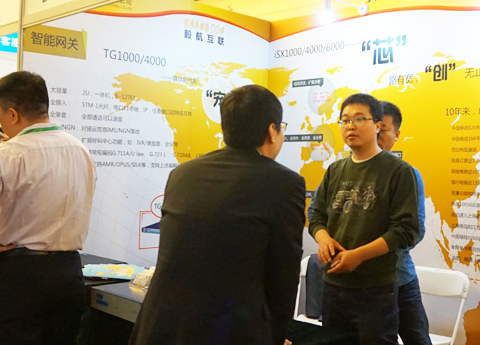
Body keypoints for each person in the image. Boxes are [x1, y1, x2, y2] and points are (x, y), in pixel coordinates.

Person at [129, 84, 306, 345]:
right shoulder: (284, 183)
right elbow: (283, 276)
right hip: (227, 329)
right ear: (272, 130)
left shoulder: (183, 173)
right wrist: (275, 336)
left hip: (162, 326)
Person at [0, 71, 97, 345]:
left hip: (18, 274)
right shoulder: (80, 150)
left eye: (0, 115)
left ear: (13, 114)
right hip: (68, 272)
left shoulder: (6, 154)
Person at [307, 93, 419, 345]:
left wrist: (358, 256)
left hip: (375, 289)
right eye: (345, 120)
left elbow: (405, 230)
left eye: (359, 119)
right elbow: (316, 215)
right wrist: (323, 239)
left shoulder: (398, 171)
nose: (351, 126)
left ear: (378, 125)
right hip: (333, 284)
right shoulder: (335, 169)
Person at [377, 101, 430, 345]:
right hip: (356, 285)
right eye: (372, 127)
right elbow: (317, 214)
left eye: (383, 130)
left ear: (396, 135)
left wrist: (370, 249)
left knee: (417, 339)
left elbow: (415, 230)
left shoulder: (407, 174)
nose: (376, 135)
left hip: (400, 278)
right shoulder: (340, 172)